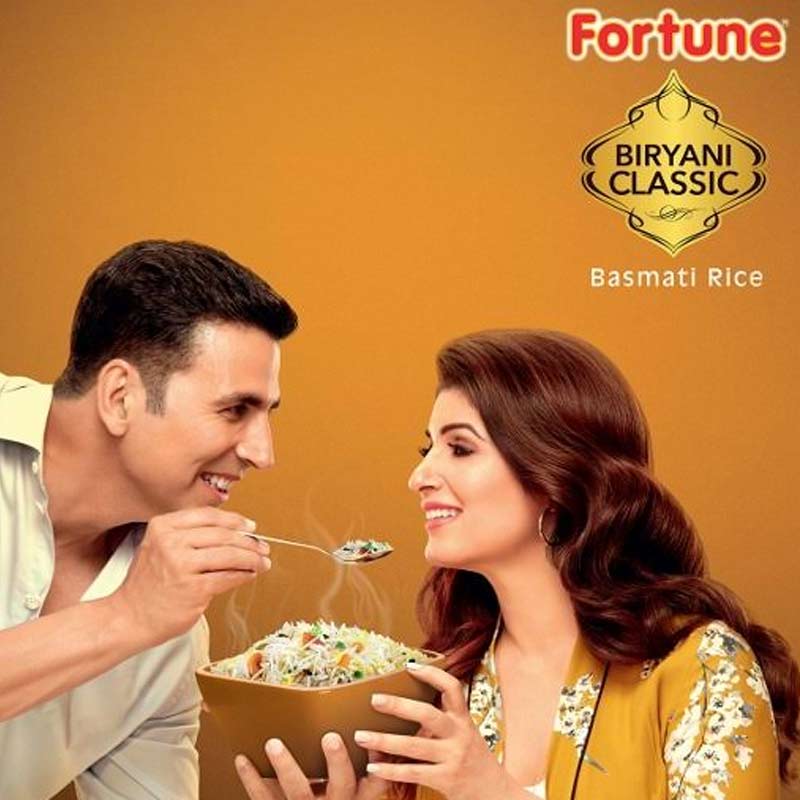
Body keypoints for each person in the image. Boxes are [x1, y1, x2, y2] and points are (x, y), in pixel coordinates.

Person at [236, 329, 799, 800]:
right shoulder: (443, 685)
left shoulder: (700, 666)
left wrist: (491, 791)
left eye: (460, 448)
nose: (420, 476)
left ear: (555, 475)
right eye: (427, 449)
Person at [0, 240, 298, 800]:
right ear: (120, 397)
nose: (263, 453)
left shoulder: (172, 632)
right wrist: (126, 616)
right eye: (235, 409)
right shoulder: (150, 613)